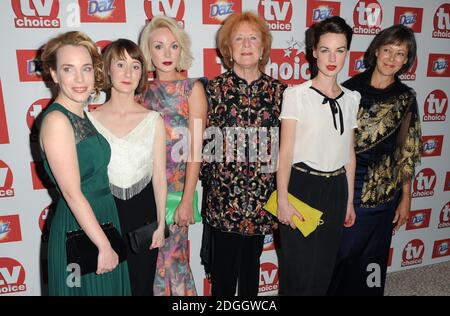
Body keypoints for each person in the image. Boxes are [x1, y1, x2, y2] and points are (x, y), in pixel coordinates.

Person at [327, 24, 422, 296]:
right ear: (376, 51)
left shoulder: (405, 99)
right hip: (347, 186)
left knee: (373, 259)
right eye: (388, 50)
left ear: (407, 60)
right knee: (342, 255)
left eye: (400, 54)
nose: (391, 59)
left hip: (384, 193)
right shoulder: (348, 90)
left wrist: (406, 198)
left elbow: (406, 152)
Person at [39, 31, 131, 295]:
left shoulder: (80, 114)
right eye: (69, 69)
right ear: (55, 75)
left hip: (102, 217)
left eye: (86, 69)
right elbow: (71, 192)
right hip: (78, 230)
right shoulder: (57, 121)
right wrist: (103, 245)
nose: (80, 79)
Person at [202, 11, 287, 296]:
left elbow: (288, 147)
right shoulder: (212, 90)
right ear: (228, 49)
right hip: (224, 199)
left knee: (252, 266)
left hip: (262, 198)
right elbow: (200, 145)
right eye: (239, 39)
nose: (247, 45)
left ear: (263, 47)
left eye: (253, 38)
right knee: (224, 272)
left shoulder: (280, 92)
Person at [276, 16, 359, 295]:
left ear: (347, 52)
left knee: (323, 269)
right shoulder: (295, 95)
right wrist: (283, 201)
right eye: (325, 49)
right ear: (314, 51)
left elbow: (349, 154)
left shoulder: (352, 99)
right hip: (302, 187)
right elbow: (285, 153)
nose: (332, 57)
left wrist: (348, 202)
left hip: (336, 189)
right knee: (297, 270)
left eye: (340, 50)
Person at [87, 39, 167, 296]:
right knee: (105, 288)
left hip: (142, 216)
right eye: (120, 64)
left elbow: (159, 177)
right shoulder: (89, 120)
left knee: (141, 286)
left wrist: (161, 224)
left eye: (135, 66)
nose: (128, 73)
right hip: (103, 213)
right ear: (107, 69)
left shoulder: (153, 120)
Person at [139, 15, 207, 296]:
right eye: (158, 46)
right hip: (143, 192)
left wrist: (188, 200)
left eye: (173, 46)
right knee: (149, 263)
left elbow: (196, 150)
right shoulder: (139, 91)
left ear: (182, 50)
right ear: (148, 51)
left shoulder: (192, 89)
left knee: (175, 261)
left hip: (178, 193)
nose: (166, 54)